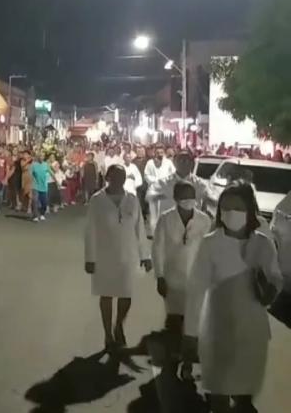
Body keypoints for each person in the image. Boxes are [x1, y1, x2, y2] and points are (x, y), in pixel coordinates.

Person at [184, 183, 282, 413]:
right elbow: (196, 289)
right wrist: (189, 334)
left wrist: (270, 289)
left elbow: (276, 279)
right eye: (225, 208)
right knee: (218, 396)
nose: (230, 213)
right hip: (217, 332)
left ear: (249, 209)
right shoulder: (210, 243)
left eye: (237, 207)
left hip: (252, 333)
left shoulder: (263, 243)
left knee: (244, 396)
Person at [84, 164, 152, 351]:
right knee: (106, 295)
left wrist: (145, 255)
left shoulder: (131, 199)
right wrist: (90, 258)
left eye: (122, 176)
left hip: (127, 255)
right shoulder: (97, 200)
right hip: (104, 255)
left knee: (126, 295)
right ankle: (107, 334)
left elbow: (140, 229)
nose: (119, 180)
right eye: (115, 176)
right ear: (108, 178)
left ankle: (119, 324)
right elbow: (90, 230)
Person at [152, 181, 211, 378]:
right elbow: (158, 248)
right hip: (173, 279)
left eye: (191, 196)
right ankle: (174, 354)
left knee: (193, 323)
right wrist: (159, 276)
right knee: (175, 320)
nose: (188, 201)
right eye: (184, 197)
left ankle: (187, 363)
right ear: (176, 199)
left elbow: (209, 251)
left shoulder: (204, 221)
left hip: (197, 280)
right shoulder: (166, 219)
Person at [148, 151, 209, 224]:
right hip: (169, 227)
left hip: (192, 229)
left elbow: (206, 206)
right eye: (180, 160)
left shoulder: (200, 185)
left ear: (192, 163)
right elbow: (151, 200)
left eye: (186, 161)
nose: (183, 163)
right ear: (174, 162)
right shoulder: (163, 184)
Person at [144, 144, 176, 233]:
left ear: (164, 153)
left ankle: (165, 232)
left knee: (165, 213)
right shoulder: (150, 163)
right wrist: (156, 181)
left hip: (165, 192)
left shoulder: (168, 163)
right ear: (155, 153)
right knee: (154, 214)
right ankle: (154, 233)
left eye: (161, 152)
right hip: (154, 191)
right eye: (158, 152)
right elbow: (146, 176)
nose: (160, 154)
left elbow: (173, 174)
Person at [31, 152, 50, 222]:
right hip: (35, 186)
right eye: (40, 156)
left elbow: (51, 172)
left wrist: (57, 181)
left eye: (43, 156)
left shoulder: (46, 164)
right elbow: (31, 174)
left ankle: (42, 214)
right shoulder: (34, 165)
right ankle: (35, 215)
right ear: (38, 157)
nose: (41, 157)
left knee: (44, 202)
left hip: (44, 186)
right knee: (35, 200)